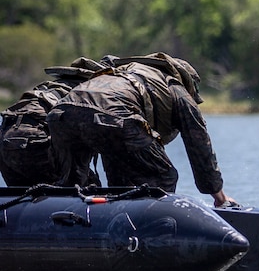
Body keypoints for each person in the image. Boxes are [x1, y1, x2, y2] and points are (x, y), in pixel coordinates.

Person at [47, 52, 236, 206]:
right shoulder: (176, 88)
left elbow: (113, 148)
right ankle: (155, 234)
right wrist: (219, 197)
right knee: (163, 176)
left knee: (72, 187)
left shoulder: (124, 75)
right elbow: (199, 144)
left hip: (61, 115)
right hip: (111, 116)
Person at [0, 57, 114, 187]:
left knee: (20, 195)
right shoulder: (88, 92)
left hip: (5, 135)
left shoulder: (52, 86)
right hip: (34, 136)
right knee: (86, 187)